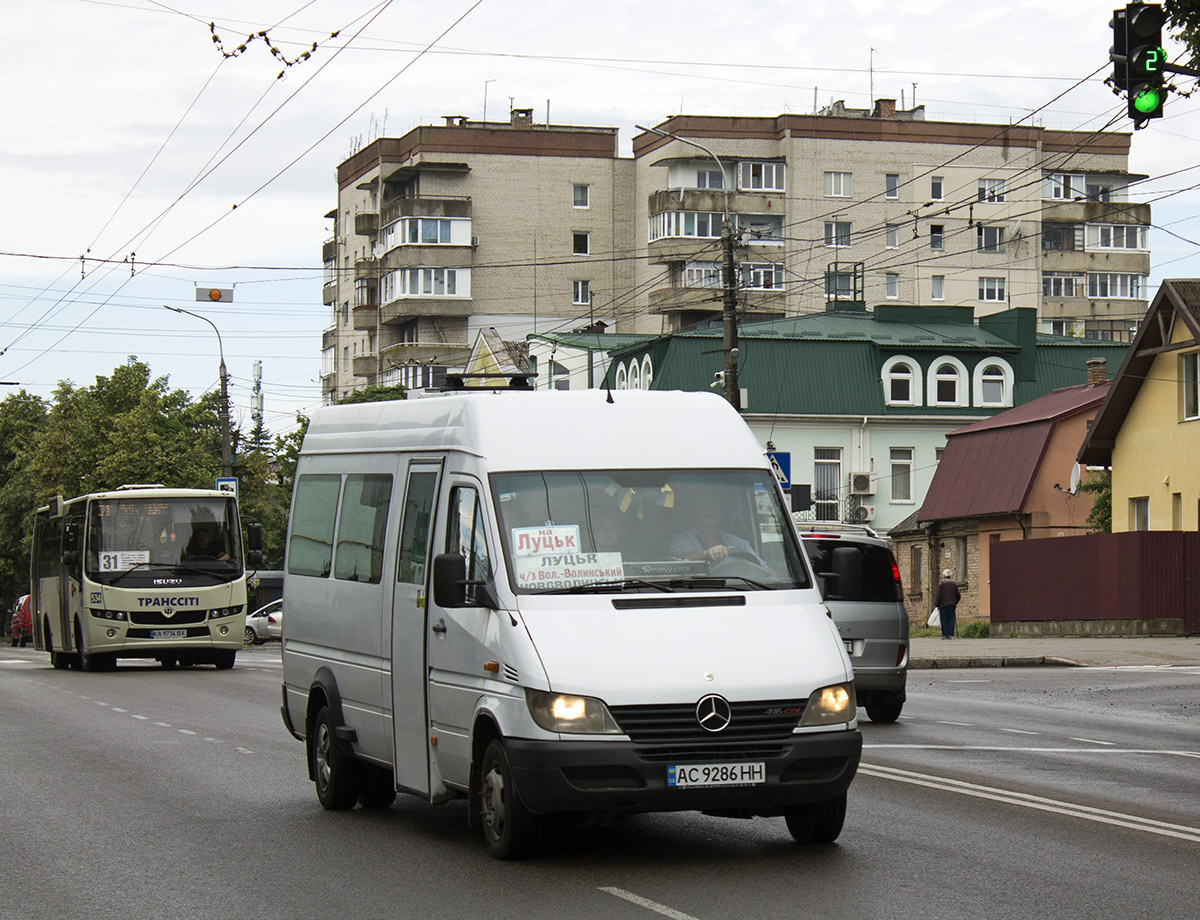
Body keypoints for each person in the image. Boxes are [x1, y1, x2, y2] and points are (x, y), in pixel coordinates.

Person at [670, 502, 765, 566]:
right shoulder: (682, 538)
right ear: (695, 511)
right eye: (705, 506)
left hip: (736, 589)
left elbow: (765, 570)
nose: (711, 511)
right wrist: (706, 554)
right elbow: (680, 558)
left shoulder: (739, 543)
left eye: (716, 507)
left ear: (723, 513)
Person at [934, 568, 961, 639]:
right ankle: (950, 634)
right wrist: (955, 602)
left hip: (943, 604)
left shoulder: (941, 582)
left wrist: (937, 604)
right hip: (952, 604)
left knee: (944, 619)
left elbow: (938, 594)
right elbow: (958, 595)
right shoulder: (954, 583)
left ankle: (944, 635)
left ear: (944, 575)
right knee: (951, 619)